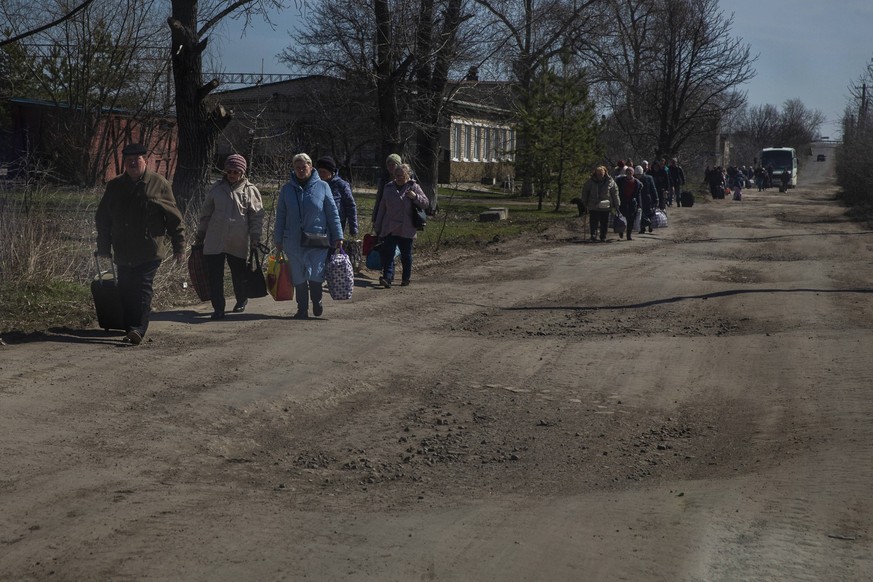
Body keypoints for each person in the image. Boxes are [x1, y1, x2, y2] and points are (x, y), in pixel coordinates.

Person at [95, 143, 185, 345]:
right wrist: (103, 247)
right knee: (125, 288)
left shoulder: (158, 184)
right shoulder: (115, 186)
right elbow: (103, 218)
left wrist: (179, 246)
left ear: (146, 161)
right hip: (123, 249)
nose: (133, 164)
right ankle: (129, 327)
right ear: (124, 163)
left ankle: (137, 329)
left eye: (137, 160)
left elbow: (174, 218)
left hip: (149, 249)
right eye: (129, 161)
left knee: (142, 288)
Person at [274, 153, 343, 319]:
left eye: (303, 167)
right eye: (297, 167)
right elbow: (281, 215)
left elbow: (332, 213)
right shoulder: (287, 189)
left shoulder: (323, 187)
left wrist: (338, 235)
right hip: (293, 240)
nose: (300, 170)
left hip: (317, 238)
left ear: (310, 167)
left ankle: (317, 301)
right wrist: (278, 239)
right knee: (297, 275)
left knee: (315, 273)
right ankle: (302, 308)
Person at [195, 153, 264, 320]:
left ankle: (241, 299)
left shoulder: (250, 190)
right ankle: (218, 308)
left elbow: (256, 216)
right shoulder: (216, 189)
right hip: (214, 238)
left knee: (238, 273)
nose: (232, 175)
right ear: (225, 171)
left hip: (237, 240)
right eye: (230, 171)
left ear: (242, 173)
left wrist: (255, 237)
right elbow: (206, 213)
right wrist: (201, 234)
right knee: (215, 276)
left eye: (236, 172)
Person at [373, 163, 429, 287]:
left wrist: (415, 197)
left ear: (407, 175)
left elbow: (425, 203)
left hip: (406, 228)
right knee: (388, 254)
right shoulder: (388, 187)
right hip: (390, 227)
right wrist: (378, 225)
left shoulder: (413, 187)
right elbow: (382, 207)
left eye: (401, 175)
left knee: (406, 255)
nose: (398, 177)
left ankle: (405, 278)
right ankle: (387, 278)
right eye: (396, 175)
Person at [316, 156, 358, 238]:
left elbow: (350, 206)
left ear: (331, 171)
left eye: (324, 172)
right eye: (319, 172)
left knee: (331, 249)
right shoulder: (316, 184)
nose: (321, 175)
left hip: (335, 225)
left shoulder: (341, 185)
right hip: (318, 225)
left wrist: (353, 228)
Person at [580, 165, 619, 243]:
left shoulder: (610, 181)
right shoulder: (590, 182)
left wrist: (617, 204)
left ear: (605, 173)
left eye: (601, 174)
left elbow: (615, 193)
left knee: (604, 222)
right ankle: (593, 235)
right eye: (598, 174)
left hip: (605, 206)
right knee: (593, 221)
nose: (600, 176)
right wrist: (584, 202)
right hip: (593, 205)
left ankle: (603, 236)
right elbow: (585, 192)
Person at [371, 153, 403, 224]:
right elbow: (379, 199)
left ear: (399, 165)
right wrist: (375, 217)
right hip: (385, 215)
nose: (390, 167)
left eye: (393, 165)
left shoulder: (404, 179)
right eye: (389, 165)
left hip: (401, 217)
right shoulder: (384, 179)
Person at [615, 166, 642, 240]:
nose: (629, 173)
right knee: (622, 219)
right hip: (623, 202)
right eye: (628, 172)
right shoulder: (620, 181)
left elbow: (638, 195)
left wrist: (640, 205)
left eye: (631, 172)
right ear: (625, 173)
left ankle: (628, 235)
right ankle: (621, 231)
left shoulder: (637, 183)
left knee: (630, 219)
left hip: (632, 203)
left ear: (633, 173)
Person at [635, 165, 658, 234]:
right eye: (637, 175)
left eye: (639, 174)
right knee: (641, 213)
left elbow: (653, 189)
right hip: (639, 198)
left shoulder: (649, 178)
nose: (638, 176)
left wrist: (656, 198)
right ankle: (642, 228)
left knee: (649, 213)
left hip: (648, 198)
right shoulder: (635, 180)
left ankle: (650, 225)